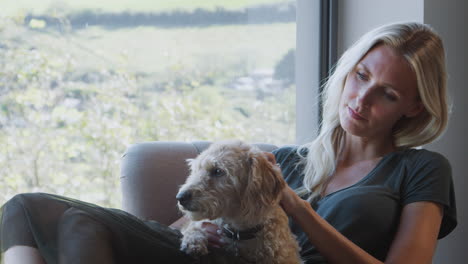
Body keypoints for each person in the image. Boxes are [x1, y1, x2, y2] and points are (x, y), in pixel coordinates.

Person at [0, 21, 457, 264]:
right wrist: (202, 227)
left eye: (388, 94)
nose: (362, 99)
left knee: (79, 225)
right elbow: (183, 227)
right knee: (30, 210)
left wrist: (296, 209)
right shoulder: (287, 162)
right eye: (361, 76)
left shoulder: (420, 170)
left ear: (414, 107)